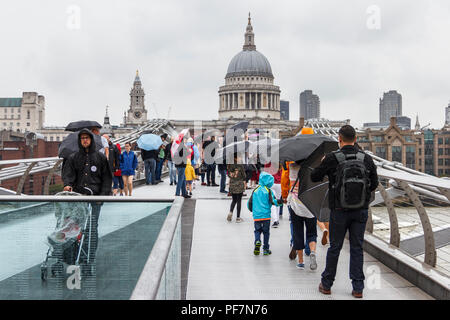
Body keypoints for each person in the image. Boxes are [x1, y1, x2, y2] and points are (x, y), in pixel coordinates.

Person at [311, 125, 378, 298]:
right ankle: (358, 288)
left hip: (339, 210)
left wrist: (325, 164)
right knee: (357, 248)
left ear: (339, 139)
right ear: (355, 139)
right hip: (360, 211)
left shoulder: (333, 158)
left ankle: (326, 285)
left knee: (335, 247)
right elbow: (375, 184)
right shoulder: (366, 158)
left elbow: (314, 177)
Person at [62, 128, 112, 269]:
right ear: (80, 140)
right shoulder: (73, 158)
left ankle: (88, 257)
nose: (85, 140)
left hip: (94, 200)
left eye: (87, 138)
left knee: (91, 229)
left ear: (91, 140)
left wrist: (102, 197)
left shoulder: (100, 158)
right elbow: (68, 175)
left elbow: (107, 178)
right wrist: (67, 185)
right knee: (73, 227)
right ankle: (72, 255)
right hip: (77, 199)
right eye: (82, 138)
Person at [287, 162, 318, 271]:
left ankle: (301, 262)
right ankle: (313, 252)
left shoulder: (292, 166)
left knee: (297, 231)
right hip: (311, 204)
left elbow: (290, 184)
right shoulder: (313, 166)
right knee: (312, 232)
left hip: (296, 204)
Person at [247, 172, 282, 256]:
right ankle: (266, 249)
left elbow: (250, 202)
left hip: (257, 215)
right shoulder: (268, 191)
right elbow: (273, 201)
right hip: (266, 215)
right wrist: (280, 202)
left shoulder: (255, 190)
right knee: (266, 232)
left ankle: (257, 241)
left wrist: (252, 210)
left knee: (257, 230)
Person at [227, 155, 246, 222]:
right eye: (239, 156)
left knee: (234, 200)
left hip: (232, 184)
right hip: (239, 184)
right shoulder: (240, 165)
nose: (240, 158)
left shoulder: (230, 165)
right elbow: (244, 176)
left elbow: (229, 175)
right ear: (235, 157)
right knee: (239, 201)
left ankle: (230, 212)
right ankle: (238, 217)